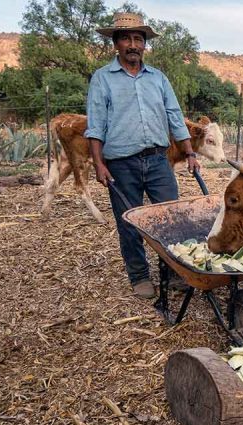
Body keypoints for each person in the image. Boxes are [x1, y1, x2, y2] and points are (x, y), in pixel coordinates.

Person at [86, 13, 201, 298]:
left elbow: (175, 116)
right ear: (116, 43)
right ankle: (139, 276)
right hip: (121, 164)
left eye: (138, 39)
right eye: (126, 38)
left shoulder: (158, 78)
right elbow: (96, 124)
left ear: (145, 44)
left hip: (158, 160)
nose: (133, 44)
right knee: (130, 222)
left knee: (171, 218)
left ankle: (173, 272)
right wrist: (99, 163)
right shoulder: (102, 79)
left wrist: (189, 151)